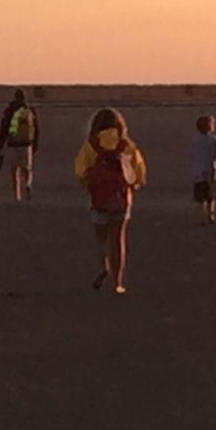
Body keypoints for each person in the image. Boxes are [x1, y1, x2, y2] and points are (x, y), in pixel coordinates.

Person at [72, 108, 147, 294]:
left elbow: (80, 171)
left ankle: (103, 266)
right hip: (121, 199)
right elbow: (138, 172)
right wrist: (135, 185)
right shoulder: (126, 145)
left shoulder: (90, 145)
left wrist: (88, 185)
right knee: (118, 239)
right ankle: (117, 283)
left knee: (101, 239)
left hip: (99, 199)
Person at [0, 89, 40, 201]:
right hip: (27, 144)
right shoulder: (29, 110)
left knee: (15, 170)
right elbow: (36, 130)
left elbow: (4, 129)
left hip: (13, 143)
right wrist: (35, 145)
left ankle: (17, 195)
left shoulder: (9, 110)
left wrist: (0, 146)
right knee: (27, 169)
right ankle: (28, 185)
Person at [187, 114, 216, 225]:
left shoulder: (194, 140)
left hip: (197, 171)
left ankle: (201, 216)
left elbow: (191, 155)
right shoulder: (214, 140)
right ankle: (210, 214)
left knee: (199, 198)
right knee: (210, 195)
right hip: (209, 170)